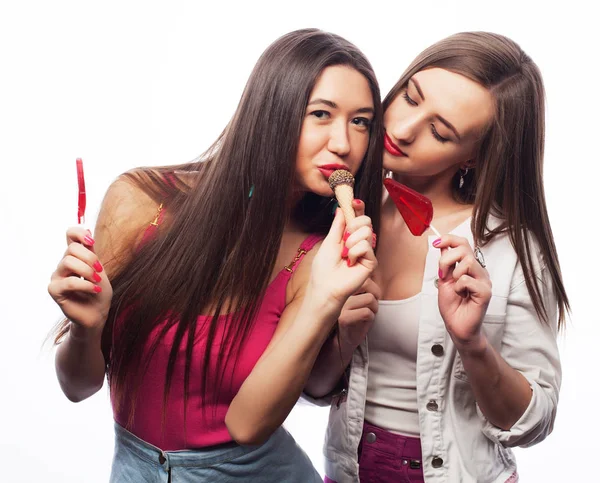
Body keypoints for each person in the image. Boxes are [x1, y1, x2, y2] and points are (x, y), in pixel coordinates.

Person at [48, 28, 383, 482]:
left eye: (361, 121)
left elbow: (247, 425)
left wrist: (326, 300)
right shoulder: (141, 201)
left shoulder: (319, 258)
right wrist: (87, 329)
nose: (343, 143)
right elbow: (78, 386)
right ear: (271, 113)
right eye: (320, 114)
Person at [305, 31, 569, 483]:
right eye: (410, 97)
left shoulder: (507, 248)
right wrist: (343, 339)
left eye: (439, 131)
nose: (402, 128)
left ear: (473, 156)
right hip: (347, 472)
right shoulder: (336, 214)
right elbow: (311, 388)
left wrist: (473, 344)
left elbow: (535, 422)